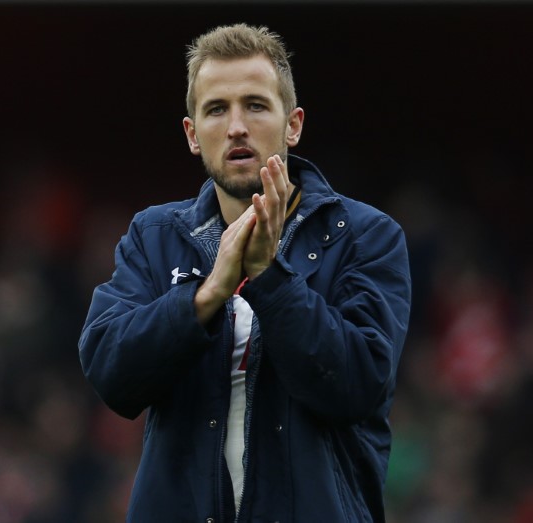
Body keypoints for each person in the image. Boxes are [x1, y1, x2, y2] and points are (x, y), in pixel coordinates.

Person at [78, 23, 412, 523]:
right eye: (216, 109)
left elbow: (356, 384)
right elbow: (110, 371)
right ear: (193, 134)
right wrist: (207, 294)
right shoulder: (153, 235)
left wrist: (268, 277)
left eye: (255, 105)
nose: (236, 126)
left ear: (292, 124)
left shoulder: (365, 235)